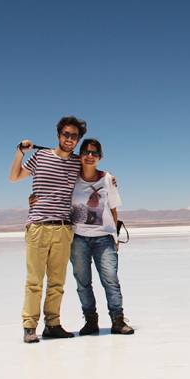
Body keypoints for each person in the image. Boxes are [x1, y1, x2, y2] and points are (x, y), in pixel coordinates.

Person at [8, 116, 85, 343]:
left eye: (74, 136)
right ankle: (29, 327)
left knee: (57, 281)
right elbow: (14, 177)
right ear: (58, 135)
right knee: (34, 281)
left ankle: (53, 324)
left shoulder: (77, 162)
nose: (70, 139)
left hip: (63, 228)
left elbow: (92, 178)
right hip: (38, 227)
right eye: (66, 135)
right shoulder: (40, 156)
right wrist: (20, 151)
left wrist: (110, 180)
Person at [70, 138, 133, 335]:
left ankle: (118, 320)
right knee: (83, 282)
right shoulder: (71, 178)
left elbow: (113, 209)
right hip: (78, 238)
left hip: (104, 238)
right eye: (86, 152)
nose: (90, 156)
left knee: (110, 279)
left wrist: (114, 236)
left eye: (94, 153)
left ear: (100, 157)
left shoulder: (107, 179)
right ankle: (90, 321)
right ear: (80, 155)